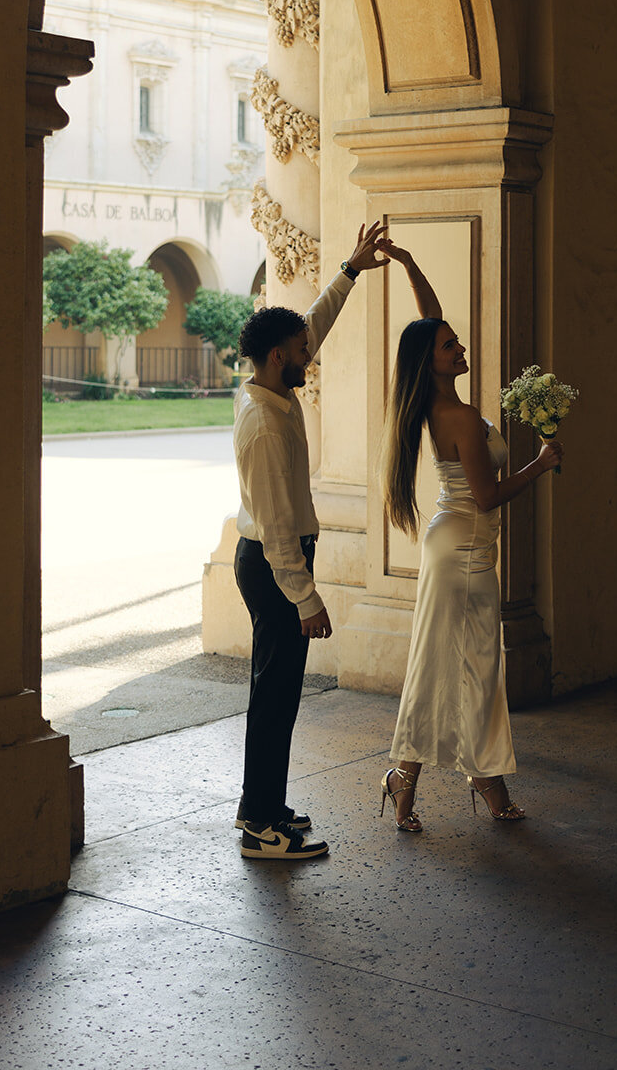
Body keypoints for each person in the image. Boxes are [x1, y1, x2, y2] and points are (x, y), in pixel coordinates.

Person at [378, 242, 562, 831]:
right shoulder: (454, 417)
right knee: (459, 667)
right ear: (431, 362)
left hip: (464, 547)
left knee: (463, 666)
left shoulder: (441, 401)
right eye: (450, 346)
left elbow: (429, 321)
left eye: (456, 340)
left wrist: (410, 264)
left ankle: (454, 778)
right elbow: (487, 496)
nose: (460, 349)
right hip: (462, 550)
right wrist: (539, 464)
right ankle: (468, 780)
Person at [233, 221, 388, 860]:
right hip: (275, 566)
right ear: (279, 357)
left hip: (277, 561)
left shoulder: (273, 388)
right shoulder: (264, 425)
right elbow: (274, 531)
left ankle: (262, 805)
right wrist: (306, 596)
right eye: (301, 350)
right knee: (274, 695)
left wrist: (349, 270)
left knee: (279, 693)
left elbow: (312, 323)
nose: (309, 354)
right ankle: (260, 827)